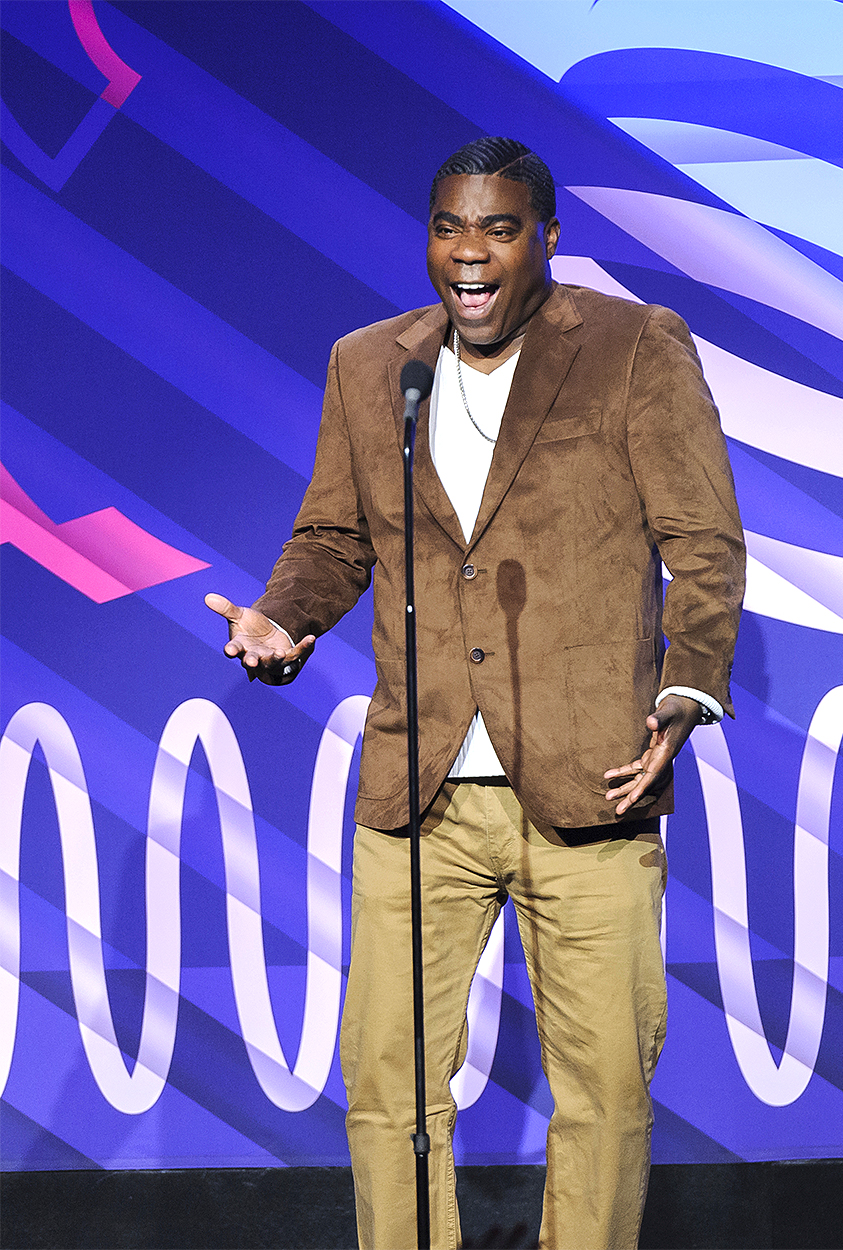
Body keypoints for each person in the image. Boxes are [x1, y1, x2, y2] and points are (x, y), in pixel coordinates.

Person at [207, 137, 744, 1250]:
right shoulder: (371, 364)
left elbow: (703, 542)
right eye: (450, 227)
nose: (469, 252)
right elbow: (334, 534)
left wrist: (685, 690)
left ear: (546, 238)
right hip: (422, 792)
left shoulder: (633, 346)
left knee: (604, 1093)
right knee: (385, 1084)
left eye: (499, 229)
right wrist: (285, 618)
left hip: (592, 781)